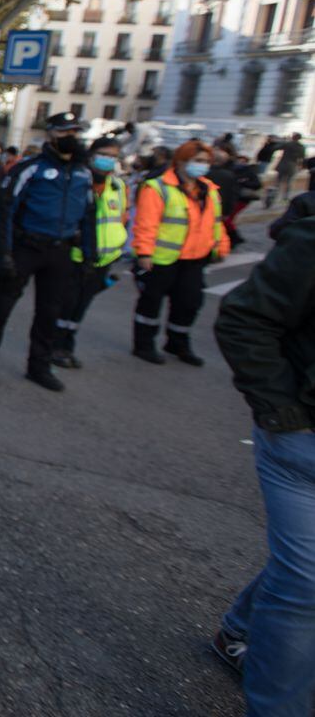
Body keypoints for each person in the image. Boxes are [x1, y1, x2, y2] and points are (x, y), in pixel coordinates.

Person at [211, 217, 315, 716]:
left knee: (303, 569)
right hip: (300, 444)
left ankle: (241, 628)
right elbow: (243, 318)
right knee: (306, 583)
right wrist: (283, 412)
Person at [0, 111, 95, 391]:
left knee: (49, 312)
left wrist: (90, 254)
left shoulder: (82, 172)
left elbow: (89, 215)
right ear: (51, 135)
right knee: (2, 305)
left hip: (61, 250)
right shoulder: (30, 168)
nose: (72, 139)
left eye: (75, 133)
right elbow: (3, 210)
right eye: (66, 133)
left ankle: (39, 367)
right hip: (25, 247)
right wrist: (3, 253)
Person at [130, 139, 230, 365]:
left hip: (195, 257)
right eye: (198, 161)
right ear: (182, 161)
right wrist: (144, 252)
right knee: (151, 303)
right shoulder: (158, 187)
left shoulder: (209, 189)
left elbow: (216, 222)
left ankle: (177, 343)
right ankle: (144, 344)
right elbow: (146, 223)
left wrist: (221, 244)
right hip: (162, 258)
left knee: (189, 303)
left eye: (206, 161)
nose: (203, 165)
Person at [52, 137, 128, 368]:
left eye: (113, 156)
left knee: (80, 307)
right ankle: (54, 346)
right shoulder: (77, 181)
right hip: (75, 255)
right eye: (104, 154)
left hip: (104, 257)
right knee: (66, 303)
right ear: (92, 154)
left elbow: (121, 218)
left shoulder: (118, 186)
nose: (108, 160)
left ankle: (67, 346)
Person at [208, 147, 245, 249]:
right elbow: (232, 195)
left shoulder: (205, 173)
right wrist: (227, 212)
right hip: (221, 208)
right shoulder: (229, 175)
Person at [274, 133, 306, 204]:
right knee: (289, 182)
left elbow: (276, 148)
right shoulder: (301, 146)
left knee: (278, 181)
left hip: (283, 164)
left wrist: (283, 141)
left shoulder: (287, 144)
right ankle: (285, 197)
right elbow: (302, 158)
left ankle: (274, 196)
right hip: (292, 165)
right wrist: (300, 166)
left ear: (293, 137)